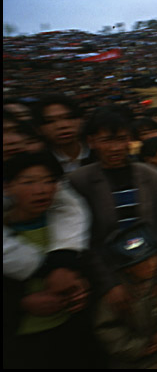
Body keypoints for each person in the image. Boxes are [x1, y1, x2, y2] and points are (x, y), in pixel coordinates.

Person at [68, 107, 157, 321]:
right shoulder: (80, 181)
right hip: (111, 275)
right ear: (91, 141)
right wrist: (110, 285)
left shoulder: (152, 176)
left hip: (152, 272)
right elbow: (89, 241)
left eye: (121, 139)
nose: (115, 148)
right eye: (107, 140)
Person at [3, 151, 99, 368]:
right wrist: (20, 304)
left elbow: (86, 265)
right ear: (8, 187)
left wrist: (81, 287)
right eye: (29, 182)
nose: (41, 190)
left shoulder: (66, 227)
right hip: (20, 344)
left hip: (70, 333)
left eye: (49, 181)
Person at [94, 222, 157, 369]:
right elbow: (105, 330)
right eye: (144, 262)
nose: (152, 264)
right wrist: (138, 347)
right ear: (127, 269)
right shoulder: (116, 297)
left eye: (154, 257)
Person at [31, 94, 92, 174]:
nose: (62, 126)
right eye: (50, 121)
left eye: (69, 117)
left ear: (82, 120)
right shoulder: (36, 162)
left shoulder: (99, 151)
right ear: (38, 129)